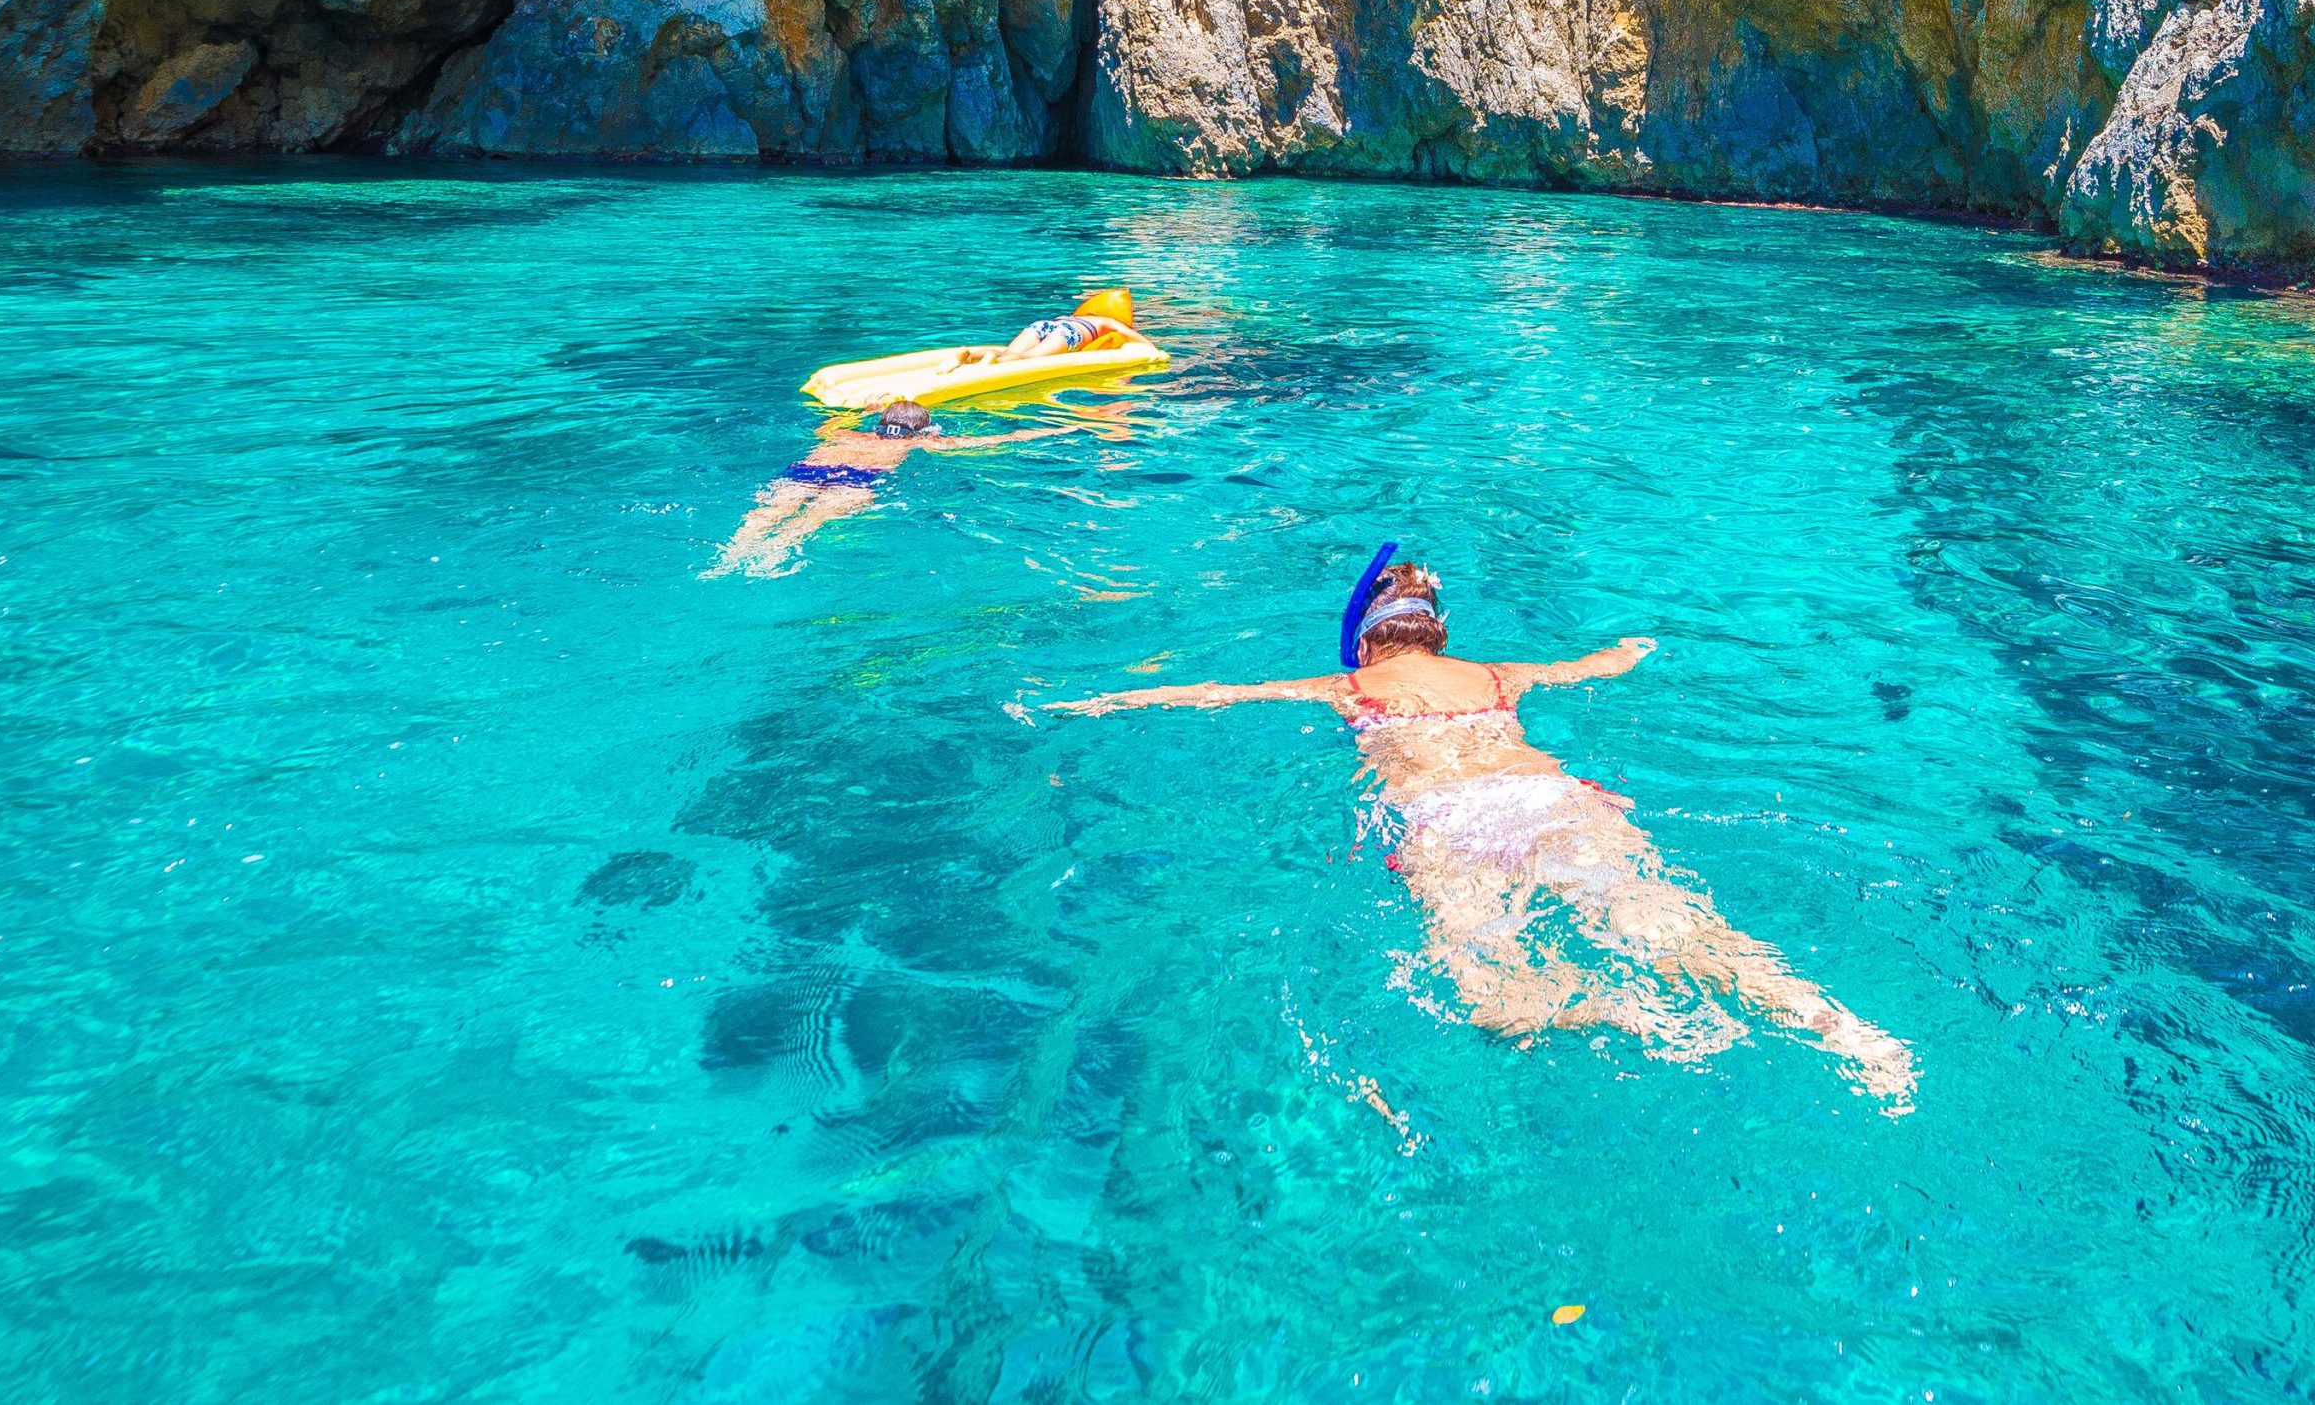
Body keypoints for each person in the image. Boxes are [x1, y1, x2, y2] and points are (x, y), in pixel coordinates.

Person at [1048, 557, 1916, 1107]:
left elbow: (1214, 696)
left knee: (1490, 996)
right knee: (1676, 926)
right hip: (1546, 801)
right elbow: (1592, 667)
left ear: (1366, 645)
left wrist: (1098, 700)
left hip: (1447, 826)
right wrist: (1635, 644)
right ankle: (1846, 1030)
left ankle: (1626, 1014)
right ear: (1439, 629)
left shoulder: (1344, 689)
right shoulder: (1500, 673)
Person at [704, 399, 1083, 578]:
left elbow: (827, 423)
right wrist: (1061, 428)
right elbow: (995, 442)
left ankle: (731, 554)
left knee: (765, 515)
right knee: (810, 521)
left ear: (880, 422)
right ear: (924, 428)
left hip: (806, 470)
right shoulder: (919, 443)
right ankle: (768, 558)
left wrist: (863, 409)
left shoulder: (843, 432)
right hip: (857, 479)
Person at [950, 287, 1142, 367]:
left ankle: (971, 355)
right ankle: (993, 361)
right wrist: (1152, 349)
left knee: (1008, 351)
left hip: (1043, 324)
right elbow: (1127, 333)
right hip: (1068, 334)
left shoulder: (1074, 316)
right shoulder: (1104, 322)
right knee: (1027, 358)